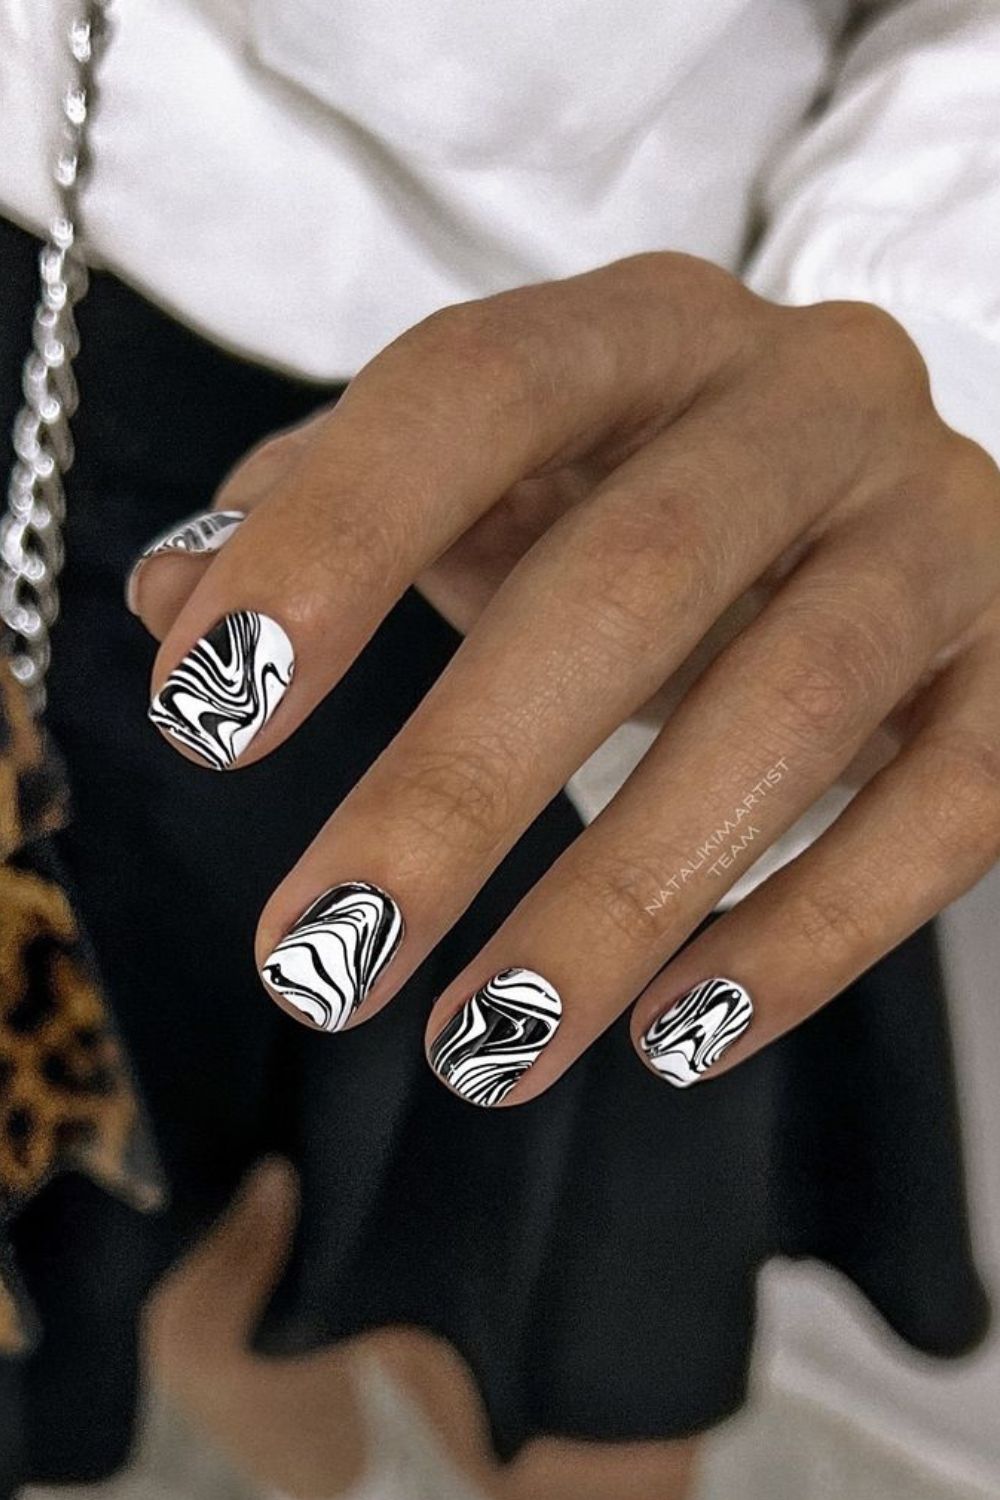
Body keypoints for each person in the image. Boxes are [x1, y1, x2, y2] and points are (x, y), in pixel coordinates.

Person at [1, 2, 998, 1496]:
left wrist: (943, 338)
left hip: (686, 436)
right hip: (61, 325)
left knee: (593, 1356)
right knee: (159, 1204)